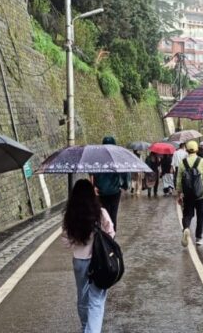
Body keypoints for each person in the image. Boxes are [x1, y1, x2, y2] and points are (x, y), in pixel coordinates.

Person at [62, 179, 116, 333]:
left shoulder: (70, 215)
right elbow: (111, 232)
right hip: (99, 261)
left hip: (79, 261)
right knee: (97, 300)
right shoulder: (100, 212)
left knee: (82, 298)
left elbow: (66, 240)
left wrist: (77, 243)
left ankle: (85, 327)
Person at [177, 140, 203, 247]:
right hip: (200, 194)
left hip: (188, 194)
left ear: (186, 150)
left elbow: (179, 179)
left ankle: (186, 228)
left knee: (188, 214)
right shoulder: (202, 161)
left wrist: (179, 193)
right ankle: (198, 237)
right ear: (197, 149)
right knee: (200, 215)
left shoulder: (182, 162)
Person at [91, 136, 129, 230]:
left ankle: (101, 236)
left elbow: (92, 172)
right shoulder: (118, 157)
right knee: (113, 216)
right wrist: (124, 185)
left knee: (101, 214)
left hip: (101, 191)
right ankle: (112, 237)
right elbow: (125, 172)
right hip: (114, 191)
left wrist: (93, 186)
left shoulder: (97, 158)